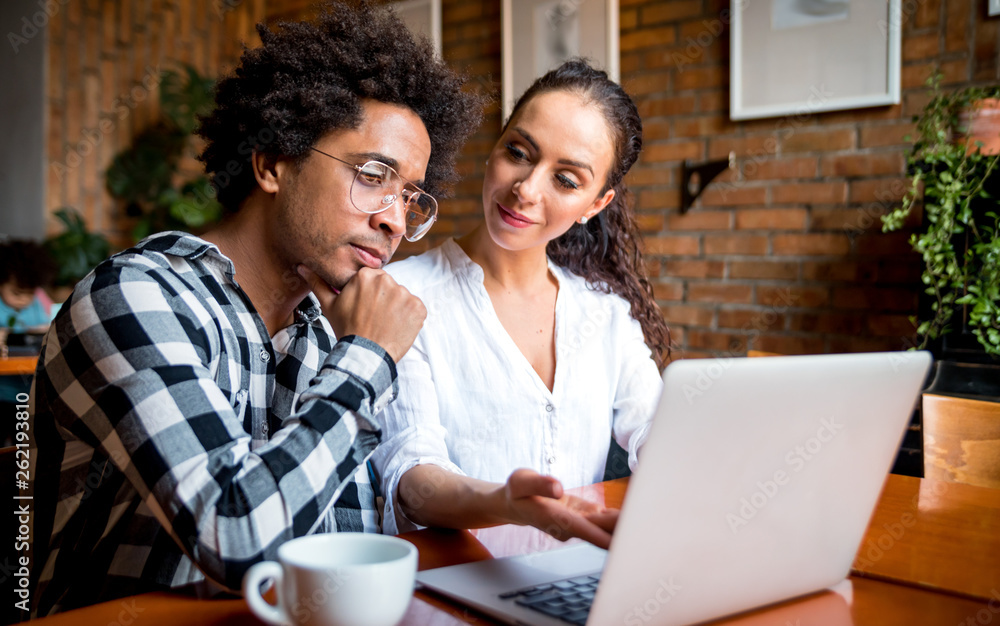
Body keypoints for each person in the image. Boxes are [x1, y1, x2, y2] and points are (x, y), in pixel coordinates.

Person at [27, 1, 481, 616]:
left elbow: (346, 541)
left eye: (411, 196)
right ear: (273, 163)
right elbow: (236, 534)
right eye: (373, 174)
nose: (395, 220)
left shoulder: (328, 329)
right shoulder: (132, 299)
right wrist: (368, 360)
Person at [371, 60, 670, 548]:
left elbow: (659, 434)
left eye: (567, 180)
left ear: (596, 203)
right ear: (495, 147)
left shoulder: (606, 314)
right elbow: (412, 477)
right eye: (518, 152)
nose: (525, 190)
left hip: (574, 584)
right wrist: (503, 504)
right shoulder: (403, 297)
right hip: (448, 589)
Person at [0, 239, 58, 332]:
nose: (24, 299)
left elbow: (43, 325)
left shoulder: (36, 305)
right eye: (17, 294)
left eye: (30, 294)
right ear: (1, 285)